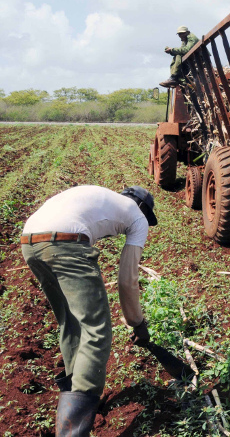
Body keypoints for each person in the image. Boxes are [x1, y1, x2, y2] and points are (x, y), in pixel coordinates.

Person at [20, 185, 157, 434]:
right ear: (143, 208)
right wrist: (137, 323)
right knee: (96, 330)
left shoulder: (102, 198)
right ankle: (73, 429)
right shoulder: (137, 216)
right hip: (65, 241)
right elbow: (127, 281)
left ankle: (76, 390)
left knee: (71, 322)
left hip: (29, 239)